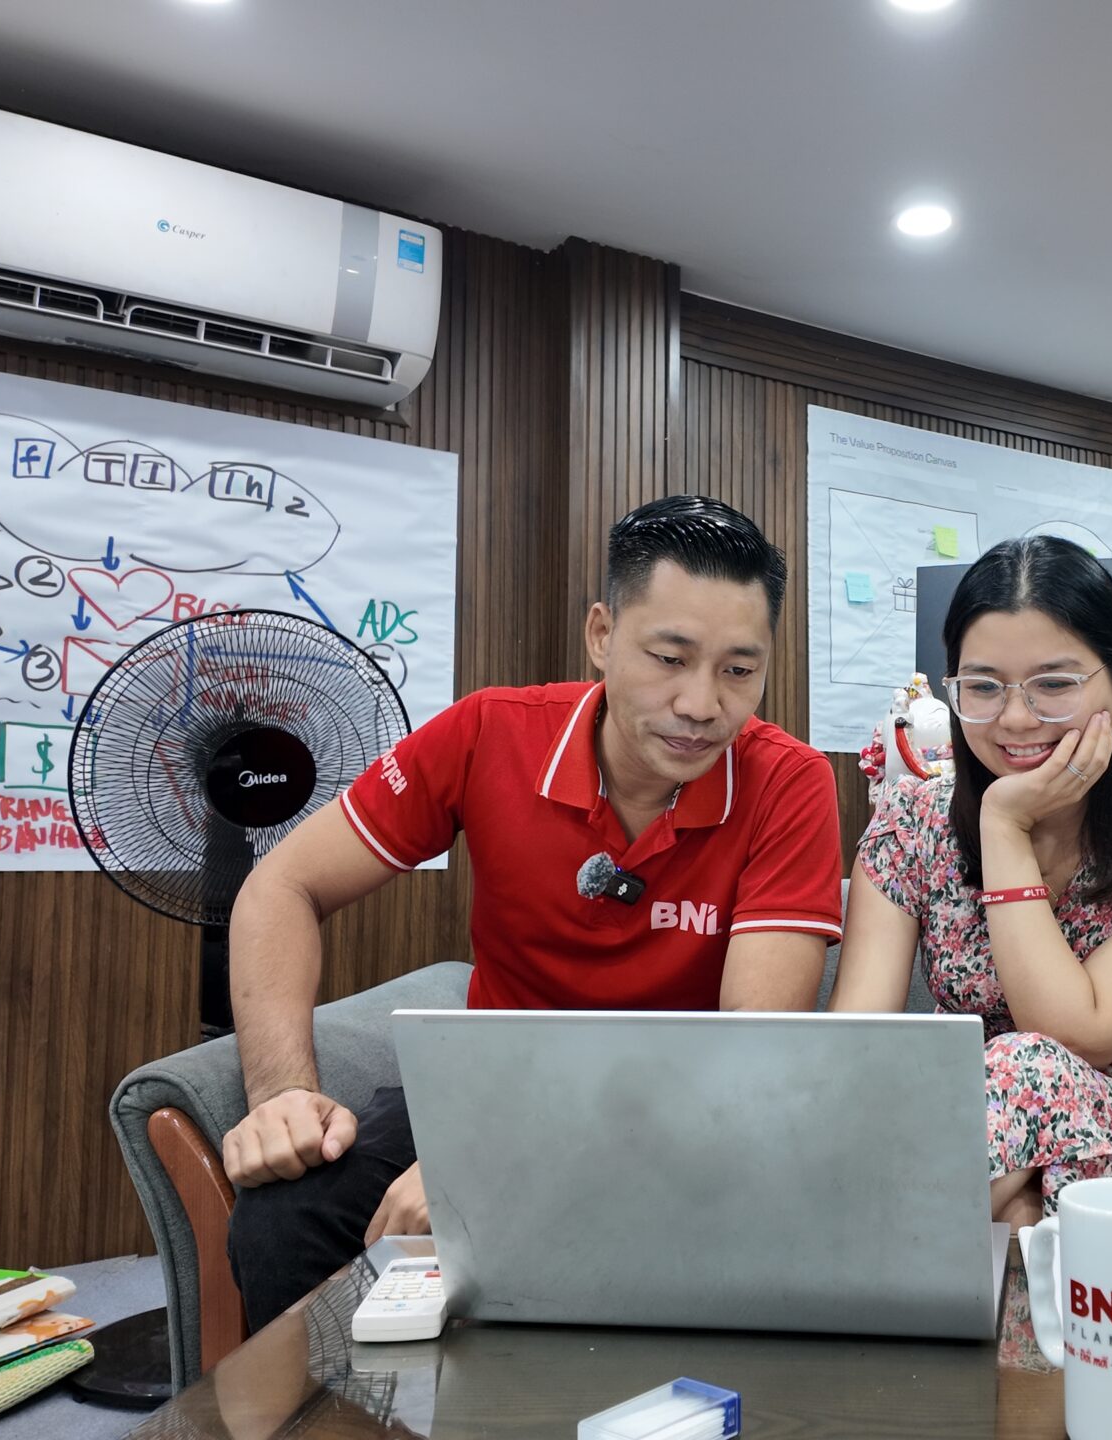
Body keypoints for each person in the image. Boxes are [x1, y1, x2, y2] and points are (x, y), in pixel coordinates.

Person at [221, 495, 845, 1327]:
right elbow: (282, 886)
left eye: (739, 670)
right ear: (602, 634)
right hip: (489, 1090)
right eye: (670, 658)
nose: (702, 705)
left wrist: (494, 1171)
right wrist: (282, 1095)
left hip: (686, 1121)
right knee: (284, 1218)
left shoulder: (789, 782)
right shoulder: (490, 733)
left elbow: (747, 1050)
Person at [831, 536, 1112, 1227]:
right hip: (976, 1140)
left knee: (1029, 1063)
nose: (1014, 718)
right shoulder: (911, 822)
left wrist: (1005, 827)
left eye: (1054, 684)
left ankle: (850, 1240)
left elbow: (1074, 1035)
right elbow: (855, 1048)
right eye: (982, 686)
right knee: (1017, 1209)